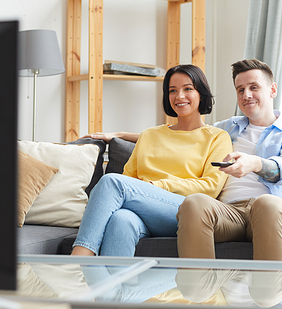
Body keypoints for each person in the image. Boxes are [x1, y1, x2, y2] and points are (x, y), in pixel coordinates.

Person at [85, 59, 282, 261]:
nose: (246, 95)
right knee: (142, 215)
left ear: (272, 90)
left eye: (254, 87)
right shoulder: (228, 128)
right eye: (240, 89)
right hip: (230, 213)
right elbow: (184, 134)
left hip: (276, 209)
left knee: (266, 204)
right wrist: (119, 136)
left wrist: (255, 163)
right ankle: (197, 296)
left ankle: (271, 298)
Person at [71, 64, 232, 257]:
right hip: (143, 209)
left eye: (188, 89)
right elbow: (129, 177)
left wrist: (159, 185)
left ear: (201, 93)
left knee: (111, 181)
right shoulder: (149, 135)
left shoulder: (217, 137)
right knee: (121, 220)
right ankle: (112, 286)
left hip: (185, 211)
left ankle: (78, 260)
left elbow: (211, 186)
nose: (179, 96)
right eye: (173, 91)